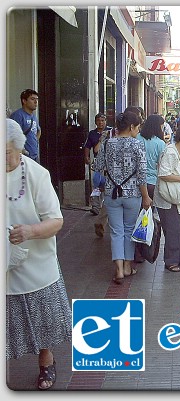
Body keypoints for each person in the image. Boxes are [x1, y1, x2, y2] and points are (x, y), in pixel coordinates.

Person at [6, 118, 72, 390]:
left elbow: (56, 221)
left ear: (19, 148)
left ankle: (46, 361)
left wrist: (30, 231)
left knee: (41, 321)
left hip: (35, 263)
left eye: (6, 153)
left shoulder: (36, 174)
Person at [94, 111, 151, 284]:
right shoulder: (137, 145)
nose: (138, 131)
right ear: (132, 127)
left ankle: (118, 269)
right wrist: (146, 197)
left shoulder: (107, 143)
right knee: (128, 231)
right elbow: (142, 175)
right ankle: (127, 267)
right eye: (138, 127)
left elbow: (97, 166)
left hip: (112, 194)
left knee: (116, 232)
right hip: (132, 195)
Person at [153, 124, 180, 272]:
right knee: (171, 229)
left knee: (179, 228)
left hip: (177, 197)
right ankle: (171, 261)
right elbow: (163, 174)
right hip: (166, 197)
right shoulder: (171, 152)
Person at [84, 113, 112, 215]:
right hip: (98, 162)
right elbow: (87, 146)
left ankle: (107, 205)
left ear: (106, 121)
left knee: (107, 184)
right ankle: (95, 206)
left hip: (110, 162)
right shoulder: (92, 133)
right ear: (95, 122)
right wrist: (87, 157)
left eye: (102, 120)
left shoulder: (111, 132)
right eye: (98, 121)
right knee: (96, 183)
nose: (100, 122)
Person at [137, 114, 167, 200]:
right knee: (148, 212)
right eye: (161, 127)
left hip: (135, 181)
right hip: (152, 182)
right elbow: (161, 164)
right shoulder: (160, 143)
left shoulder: (136, 137)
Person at [10, 89, 41, 163]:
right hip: (23, 157)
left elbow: (39, 130)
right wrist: (23, 150)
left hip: (35, 155)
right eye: (32, 99)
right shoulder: (18, 115)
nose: (36, 102)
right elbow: (12, 136)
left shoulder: (34, 116)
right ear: (24, 101)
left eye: (37, 99)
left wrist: (35, 141)